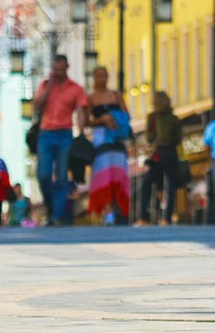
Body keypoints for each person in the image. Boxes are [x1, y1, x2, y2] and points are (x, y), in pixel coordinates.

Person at [32, 54, 87, 226]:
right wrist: (49, 86)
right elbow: (36, 105)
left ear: (67, 67)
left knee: (62, 176)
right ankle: (49, 206)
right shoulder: (44, 85)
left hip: (65, 134)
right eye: (56, 69)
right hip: (46, 134)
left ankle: (56, 215)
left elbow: (81, 111)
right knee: (43, 174)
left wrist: (82, 133)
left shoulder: (75, 88)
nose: (59, 72)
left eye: (61, 69)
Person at [85, 66, 132, 224]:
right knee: (103, 173)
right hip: (101, 138)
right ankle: (106, 209)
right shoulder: (91, 98)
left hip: (116, 137)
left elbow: (126, 115)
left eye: (104, 76)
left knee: (118, 172)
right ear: (94, 78)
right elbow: (86, 121)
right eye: (98, 76)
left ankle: (119, 209)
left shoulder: (116, 95)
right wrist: (101, 120)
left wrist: (114, 118)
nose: (101, 79)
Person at [141, 91, 183, 225]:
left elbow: (149, 137)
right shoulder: (174, 118)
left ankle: (144, 217)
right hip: (171, 152)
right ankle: (167, 217)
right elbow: (178, 138)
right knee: (170, 186)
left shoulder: (152, 117)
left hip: (158, 152)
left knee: (147, 183)